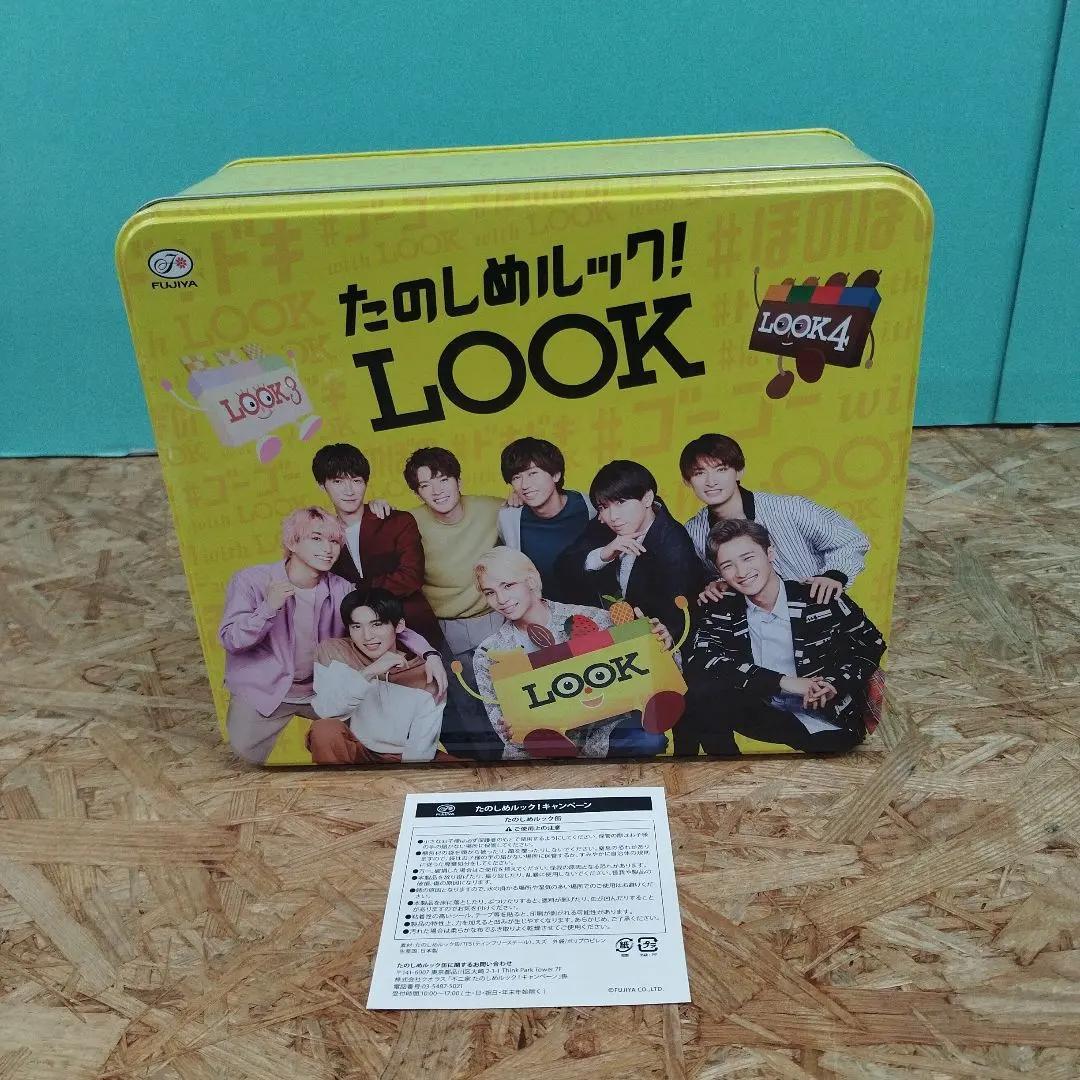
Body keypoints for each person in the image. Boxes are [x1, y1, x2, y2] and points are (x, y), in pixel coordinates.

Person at [219, 507, 442, 764]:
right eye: (316, 538)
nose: (328, 549)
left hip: (322, 689)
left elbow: (384, 624)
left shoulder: (342, 589)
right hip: (265, 689)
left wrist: (429, 653)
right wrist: (268, 608)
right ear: (292, 542)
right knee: (239, 762)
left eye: (335, 541)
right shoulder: (251, 581)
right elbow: (231, 640)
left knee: (366, 745)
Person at [677, 518, 886, 756]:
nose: (742, 572)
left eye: (748, 558)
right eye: (728, 565)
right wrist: (783, 682)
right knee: (699, 692)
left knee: (834, 747)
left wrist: (834, 683)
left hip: (826, 718)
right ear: (719, 572)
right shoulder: (722, 606)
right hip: (764, 712)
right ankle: (724, 764)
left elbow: (872, 644)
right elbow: (702, 659)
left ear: (770, 553)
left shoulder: (819, 597)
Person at [471, 547, 671, 758]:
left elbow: (653, 675)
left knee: (650, 739)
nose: (501, 599)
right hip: (538, 752)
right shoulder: (489, 653)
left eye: (508, 585)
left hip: (602, 734)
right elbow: (506, 732)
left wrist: (660, 643)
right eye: (490, 592)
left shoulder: (592, 618)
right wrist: (511, 728)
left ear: (530, 581)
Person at [680, 432, 869, 605]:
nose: (711, 481)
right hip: (757, 624)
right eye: (699, 473)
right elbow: (702, 578)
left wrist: (834, 575)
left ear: (739, 471)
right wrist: (715, 584)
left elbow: (851, 540)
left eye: (721, 469)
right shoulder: (692, 532)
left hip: (817, 613)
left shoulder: (788, 508)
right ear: (687, 481)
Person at [404, 446, 506, 760]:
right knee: (468, 706)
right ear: (418, 493)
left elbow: (537, 510)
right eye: (425, 485)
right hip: (447, 628)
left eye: (443, 479)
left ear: (458, 480)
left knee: (512, 698)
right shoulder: (408, 523)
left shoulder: (493, 508)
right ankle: (489, 774)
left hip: (496, 619)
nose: (437, 491)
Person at [555, 459, 703, 641]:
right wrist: (603, 554)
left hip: (653, 640)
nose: (613, 516)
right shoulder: (606, 523)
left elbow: (677, 618)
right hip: (604, 631)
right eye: (603, 507)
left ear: (647, 498)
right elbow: (562, 567)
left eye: (621, 502)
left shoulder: (674, 545)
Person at [312, 442, 442, 647]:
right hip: (362, 642)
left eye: (356, 481)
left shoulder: (397, 521)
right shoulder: (322, 535)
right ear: (322, 485)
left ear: (366, 482)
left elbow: (411, 577)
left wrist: (355, 591)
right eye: (337, 481)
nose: (349, 490)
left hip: (415, 629)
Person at [308, 589, 445, 764]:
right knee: (324, 730)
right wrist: (369, 672)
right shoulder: (333, 652)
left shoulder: (426, 671)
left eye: (377, 624)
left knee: (462, 768)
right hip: (355, 749)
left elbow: (422, 745)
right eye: (357, 626)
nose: (367, 636)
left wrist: (402, 777)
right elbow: (327, 711)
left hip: (401, 755)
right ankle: (340, 782)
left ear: (399, 626)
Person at [496, 436, 595, 601]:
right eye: (516, 477)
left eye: (533, 473)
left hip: (594, 609)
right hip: (542, 610)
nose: (525, 485)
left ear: (556, 475)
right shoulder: (509, 519)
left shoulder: (591, 507)